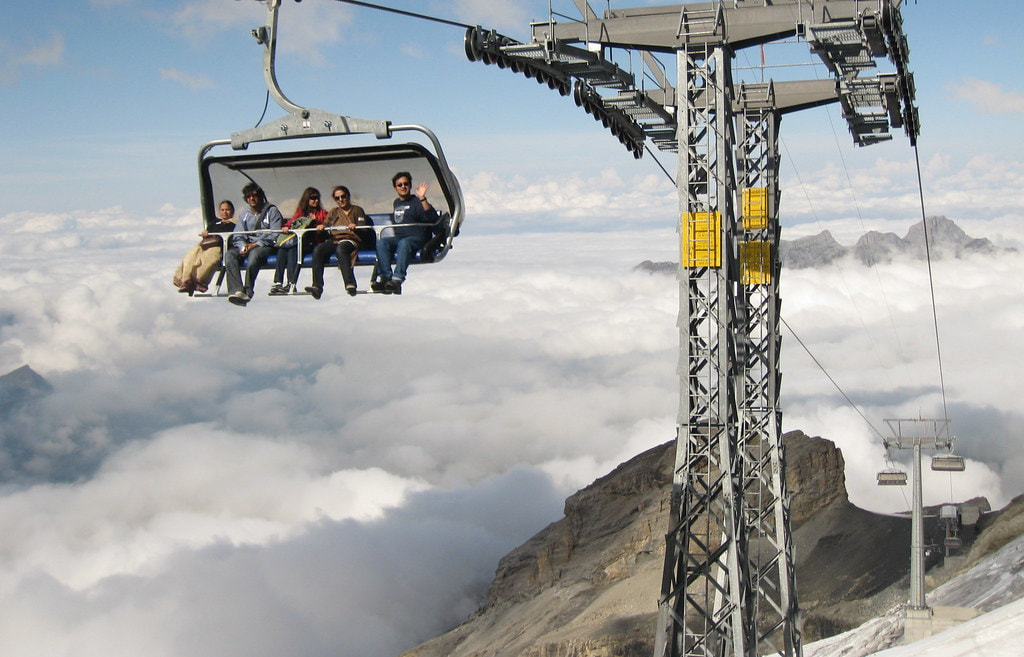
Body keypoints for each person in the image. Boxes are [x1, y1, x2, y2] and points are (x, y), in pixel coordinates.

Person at [374, 171, 438, 295]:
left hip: (416, 238)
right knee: (382, 243)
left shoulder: (417, 201)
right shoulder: (396, 203)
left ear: (410, 185)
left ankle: (397, 278)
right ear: (395, 188)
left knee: (404, 243)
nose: (403, 187)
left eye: (406, 184)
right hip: (399, 237)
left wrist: (422, 198)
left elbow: (431, 217)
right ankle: (386, 277)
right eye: (400, 185)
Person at [305, 185, 371, 299]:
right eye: (337, 198)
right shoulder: (334, 212)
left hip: (351, 239)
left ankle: (350, 283)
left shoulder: (357, 210)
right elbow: (326, 224)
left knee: (341, 249)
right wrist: (321, 227)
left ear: (348, 196)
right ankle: (317, 285)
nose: (341, 200)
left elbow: (364, 229)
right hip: (335, 239)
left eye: (343, 196)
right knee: (318, 250)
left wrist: (355, 227)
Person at [224, 183, 283, 307]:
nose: (252, 199)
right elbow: (238, 234)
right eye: (249, 196)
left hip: (265, 245)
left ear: (260, 196)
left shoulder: (272, 211)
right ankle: (237, 289)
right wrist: (243, 246)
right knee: (229, 255)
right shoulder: (245, 214)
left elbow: (275, 234)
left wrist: (255, 245)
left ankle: (248, 290)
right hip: (248, 245)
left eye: (255, 196)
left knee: (254, 256)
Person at [270, 187, 327, 295]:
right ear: (307, 199)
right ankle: (278, 281)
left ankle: (291, 283)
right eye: (313, 198)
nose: (316, 201)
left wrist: (317, 223)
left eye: (317, 198)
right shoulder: (301, 213)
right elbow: (291, 222)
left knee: (293, 250)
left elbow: (326, 225)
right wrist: (286, 227)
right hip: (298, 241)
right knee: (282, 249)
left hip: (312, 242)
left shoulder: (322, 213)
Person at [172, 200, 235, 295]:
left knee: (209, 258)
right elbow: (208, 232)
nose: (224, 212)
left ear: (232, 211)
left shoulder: (234, 225)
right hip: (206, 244)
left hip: (219, 246)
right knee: (191, 255)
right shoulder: (215, 223)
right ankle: (185, 280)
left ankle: (199, 281)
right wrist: (205, 234)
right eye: (222, 210)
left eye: (227, 210)